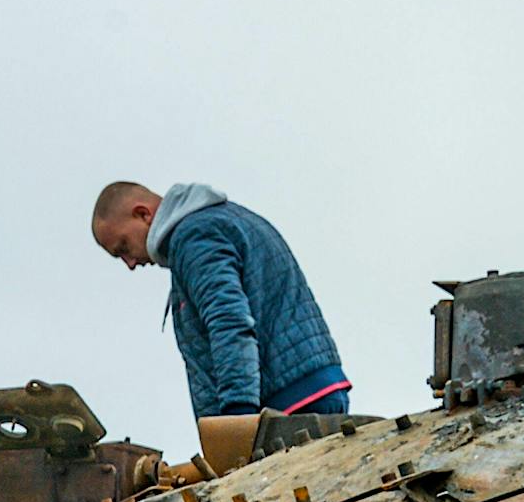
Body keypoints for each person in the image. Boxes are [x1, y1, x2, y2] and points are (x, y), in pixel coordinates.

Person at [91, 181, 350, 422]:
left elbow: (228, 321)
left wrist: (237, 416)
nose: (130, 264)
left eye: (123, 247)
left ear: (143, 214)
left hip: (285, 405)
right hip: (307, 389)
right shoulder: (222, 220)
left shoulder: (194, 238)